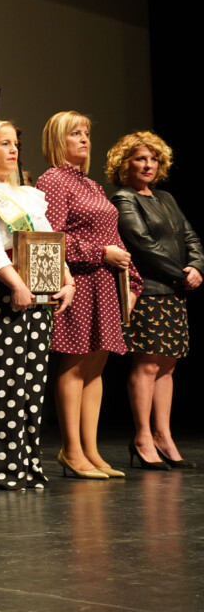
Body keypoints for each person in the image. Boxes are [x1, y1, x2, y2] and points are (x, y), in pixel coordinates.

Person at [0, 121, 74, 489]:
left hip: (38, 289)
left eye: (15, 143)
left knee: (32, 382)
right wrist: (15, 284)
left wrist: (66, 279)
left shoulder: (26, 195)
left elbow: (46, 239)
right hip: (0, 290)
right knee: (4, 381)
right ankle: (2, 469)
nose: (13, 150)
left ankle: (27, 465)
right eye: (3, 143)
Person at [37, 111, 141, 479]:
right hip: (79, 282)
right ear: (57, 141)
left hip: (106, 285)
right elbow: (51, 235)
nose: (84, 139)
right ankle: (71, 450)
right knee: (75, 364)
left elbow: (115, 240)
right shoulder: (53, 180)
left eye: (86, 133)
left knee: (96, 368)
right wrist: (100, 254)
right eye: (74, 134)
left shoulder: (92, 185)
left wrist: (132, 282)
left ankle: (92, 451)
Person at [106, 131, 203, 469]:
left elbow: (189, 235)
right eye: (140, 159)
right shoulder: (124, 199)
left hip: (173, 290)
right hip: (147, 290)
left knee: (167, 366)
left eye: (154, 159)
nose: (148, 165)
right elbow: (142, 244)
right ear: (124, 164)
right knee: (147, 365)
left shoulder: (166, 198)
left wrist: (196, 267)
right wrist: (180, 273)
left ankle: (164, 435)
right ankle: (142, 437)